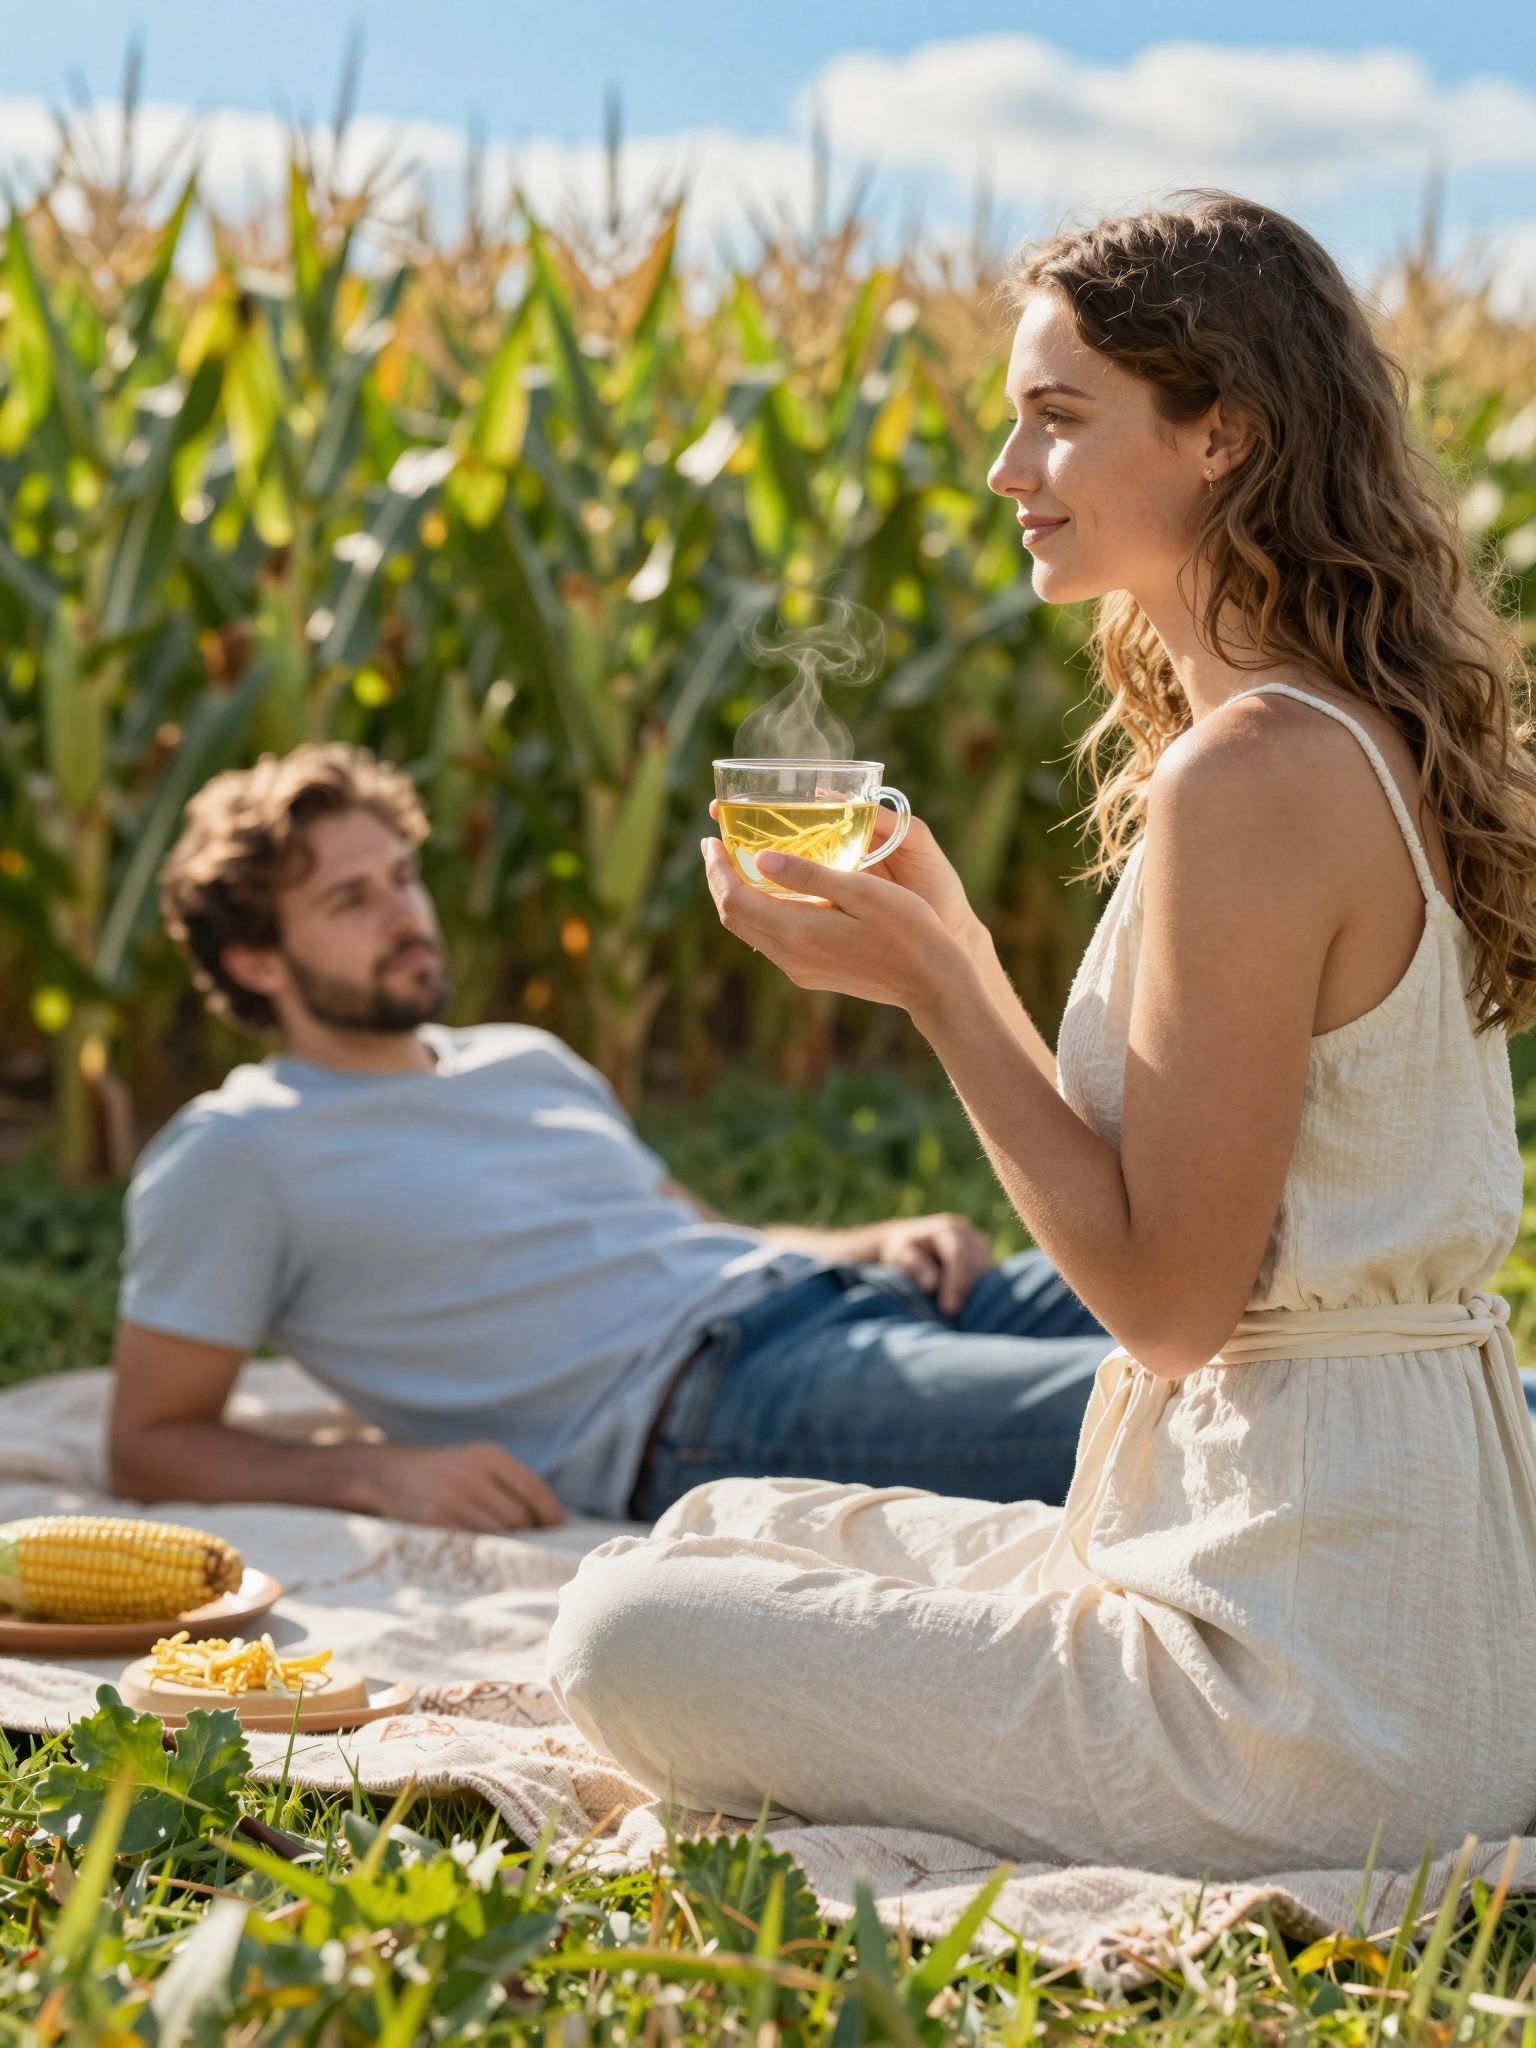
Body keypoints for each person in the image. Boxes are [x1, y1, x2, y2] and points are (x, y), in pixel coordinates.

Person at [548, 189, 1536, 1878]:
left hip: (1313, 1703)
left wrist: (944, 986)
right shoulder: (1328, 738)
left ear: (1221, 432)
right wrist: (950, 941)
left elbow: (1166, 1304)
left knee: (623, 1635)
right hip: (1386, 1591)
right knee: (722, 1521)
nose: (1008, 470)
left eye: (1059, 419)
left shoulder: (1253, 773)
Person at [108, 746, 1116, 1531]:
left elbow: (683, 1229)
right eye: (349, 899)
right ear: (254, 960)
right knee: (1152, 1405)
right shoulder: (236, 1148)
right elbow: (150, 1442)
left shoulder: (523, 1056)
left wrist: (868, 1242)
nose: (405, 914)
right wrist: (377, 1470)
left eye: (403, 876)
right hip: (712, 1403)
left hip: (839, 1299)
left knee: (1244, 1297)